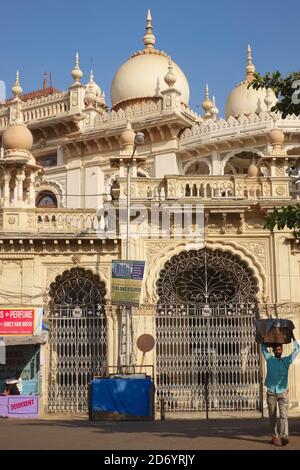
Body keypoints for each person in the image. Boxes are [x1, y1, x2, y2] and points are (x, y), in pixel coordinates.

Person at [261, 340, 300, 446]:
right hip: (271, 393)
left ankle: (284, 436)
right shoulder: (269, 359)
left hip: (283, 393)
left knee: (284, 415)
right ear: (273, 351)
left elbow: (298, 349)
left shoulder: (286, 361)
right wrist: (266, 339)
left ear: (282, 350)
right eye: (276, 349)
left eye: (279, 349)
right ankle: (274, 435)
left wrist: (293, 339)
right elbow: (263, 347)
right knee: (272, 416)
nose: (278, 351)